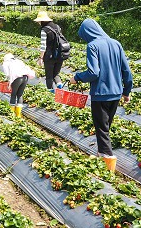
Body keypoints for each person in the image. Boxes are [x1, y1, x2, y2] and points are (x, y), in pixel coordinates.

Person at [69, 18, 133, 173]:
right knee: (105, 127)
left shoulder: (93, 46)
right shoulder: (116, 43)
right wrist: (126, 91)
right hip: (116, 93)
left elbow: (93, 72)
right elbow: (127, 71)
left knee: (102, 128)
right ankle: (101, 153)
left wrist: (76, 78)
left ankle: (108, 161)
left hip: (100, 94)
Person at [34, 10, 64, 91]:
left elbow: (43, 46)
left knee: (49, 76)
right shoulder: (57, 27)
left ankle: (51, 93)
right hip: (60, 55)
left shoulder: (44, 30)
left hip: (49, 56)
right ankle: (60, 87)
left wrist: (40, 58)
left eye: (39, 21)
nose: (38, 23)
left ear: (42, 21)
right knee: (56, 74)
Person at [1, 53, 35, 119]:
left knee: (13, 94)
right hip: (25, 77)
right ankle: (18, 114)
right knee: (20, 95)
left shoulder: (6, 63)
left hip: (17, 78)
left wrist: (9, 83)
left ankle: (12, 113)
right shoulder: (19, 61)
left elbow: (7, 74)